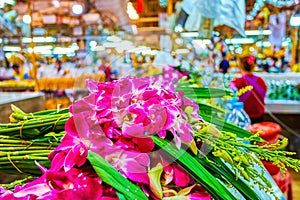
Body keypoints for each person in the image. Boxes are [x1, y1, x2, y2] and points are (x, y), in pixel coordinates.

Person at [229, 55, 267, 124]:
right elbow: (263, 96)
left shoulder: (235, 82)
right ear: (254, 66)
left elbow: (230, 99)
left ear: (240, 66)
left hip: (242, 118)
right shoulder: (261, 81)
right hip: (259, 117)